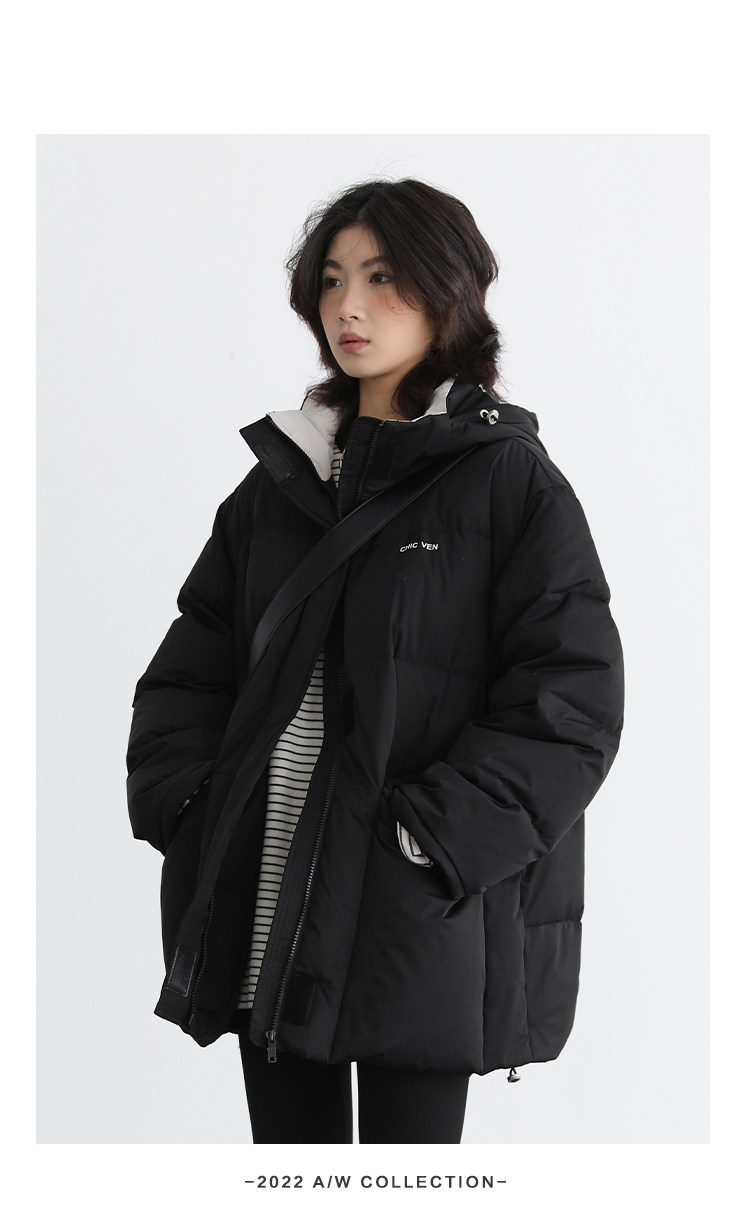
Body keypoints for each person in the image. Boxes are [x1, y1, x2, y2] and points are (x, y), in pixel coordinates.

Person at [126, 177, 625, 1144]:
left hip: (413, 906)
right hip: (270, 884)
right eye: (332, 280)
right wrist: (191, 804)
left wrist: (431, 838)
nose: (348, 306)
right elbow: (189, 670)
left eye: (383, 277)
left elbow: (572, 703)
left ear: (449, 292)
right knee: (293, 1180)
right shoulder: (277, 485)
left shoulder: (510, 483)